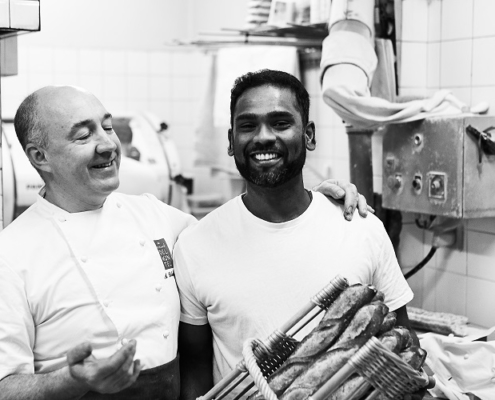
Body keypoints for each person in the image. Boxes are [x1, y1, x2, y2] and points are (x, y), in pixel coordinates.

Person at [0, 85, 368, 399]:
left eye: (108, 127)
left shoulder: (154, 216)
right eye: (84, 135)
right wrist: (70, 380)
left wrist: (305, 201)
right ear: (39, 157)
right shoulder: (12, 255)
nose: (107, 144)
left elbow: (240, 228)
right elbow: (4, 385)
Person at [174, 70, 419, 400]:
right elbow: (195, 370)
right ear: (231, 142)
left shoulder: (360, 227)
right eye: (248, 125)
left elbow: (402, 341)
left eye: (280, 123)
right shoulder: (195, 245)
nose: (263, 136)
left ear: (308, 136)